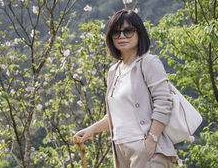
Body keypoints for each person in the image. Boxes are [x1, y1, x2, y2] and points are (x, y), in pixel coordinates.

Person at [73, 9, 177, 168]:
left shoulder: (149, 63)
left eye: (128, 31)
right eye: (116, 32)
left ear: (139, 33)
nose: (122, 36)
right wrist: (91, 130)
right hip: (120, 148)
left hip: (146, 149)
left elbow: (164, 102)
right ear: (110, 37)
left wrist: (152, 139)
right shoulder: (114, 71)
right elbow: (115, 115)